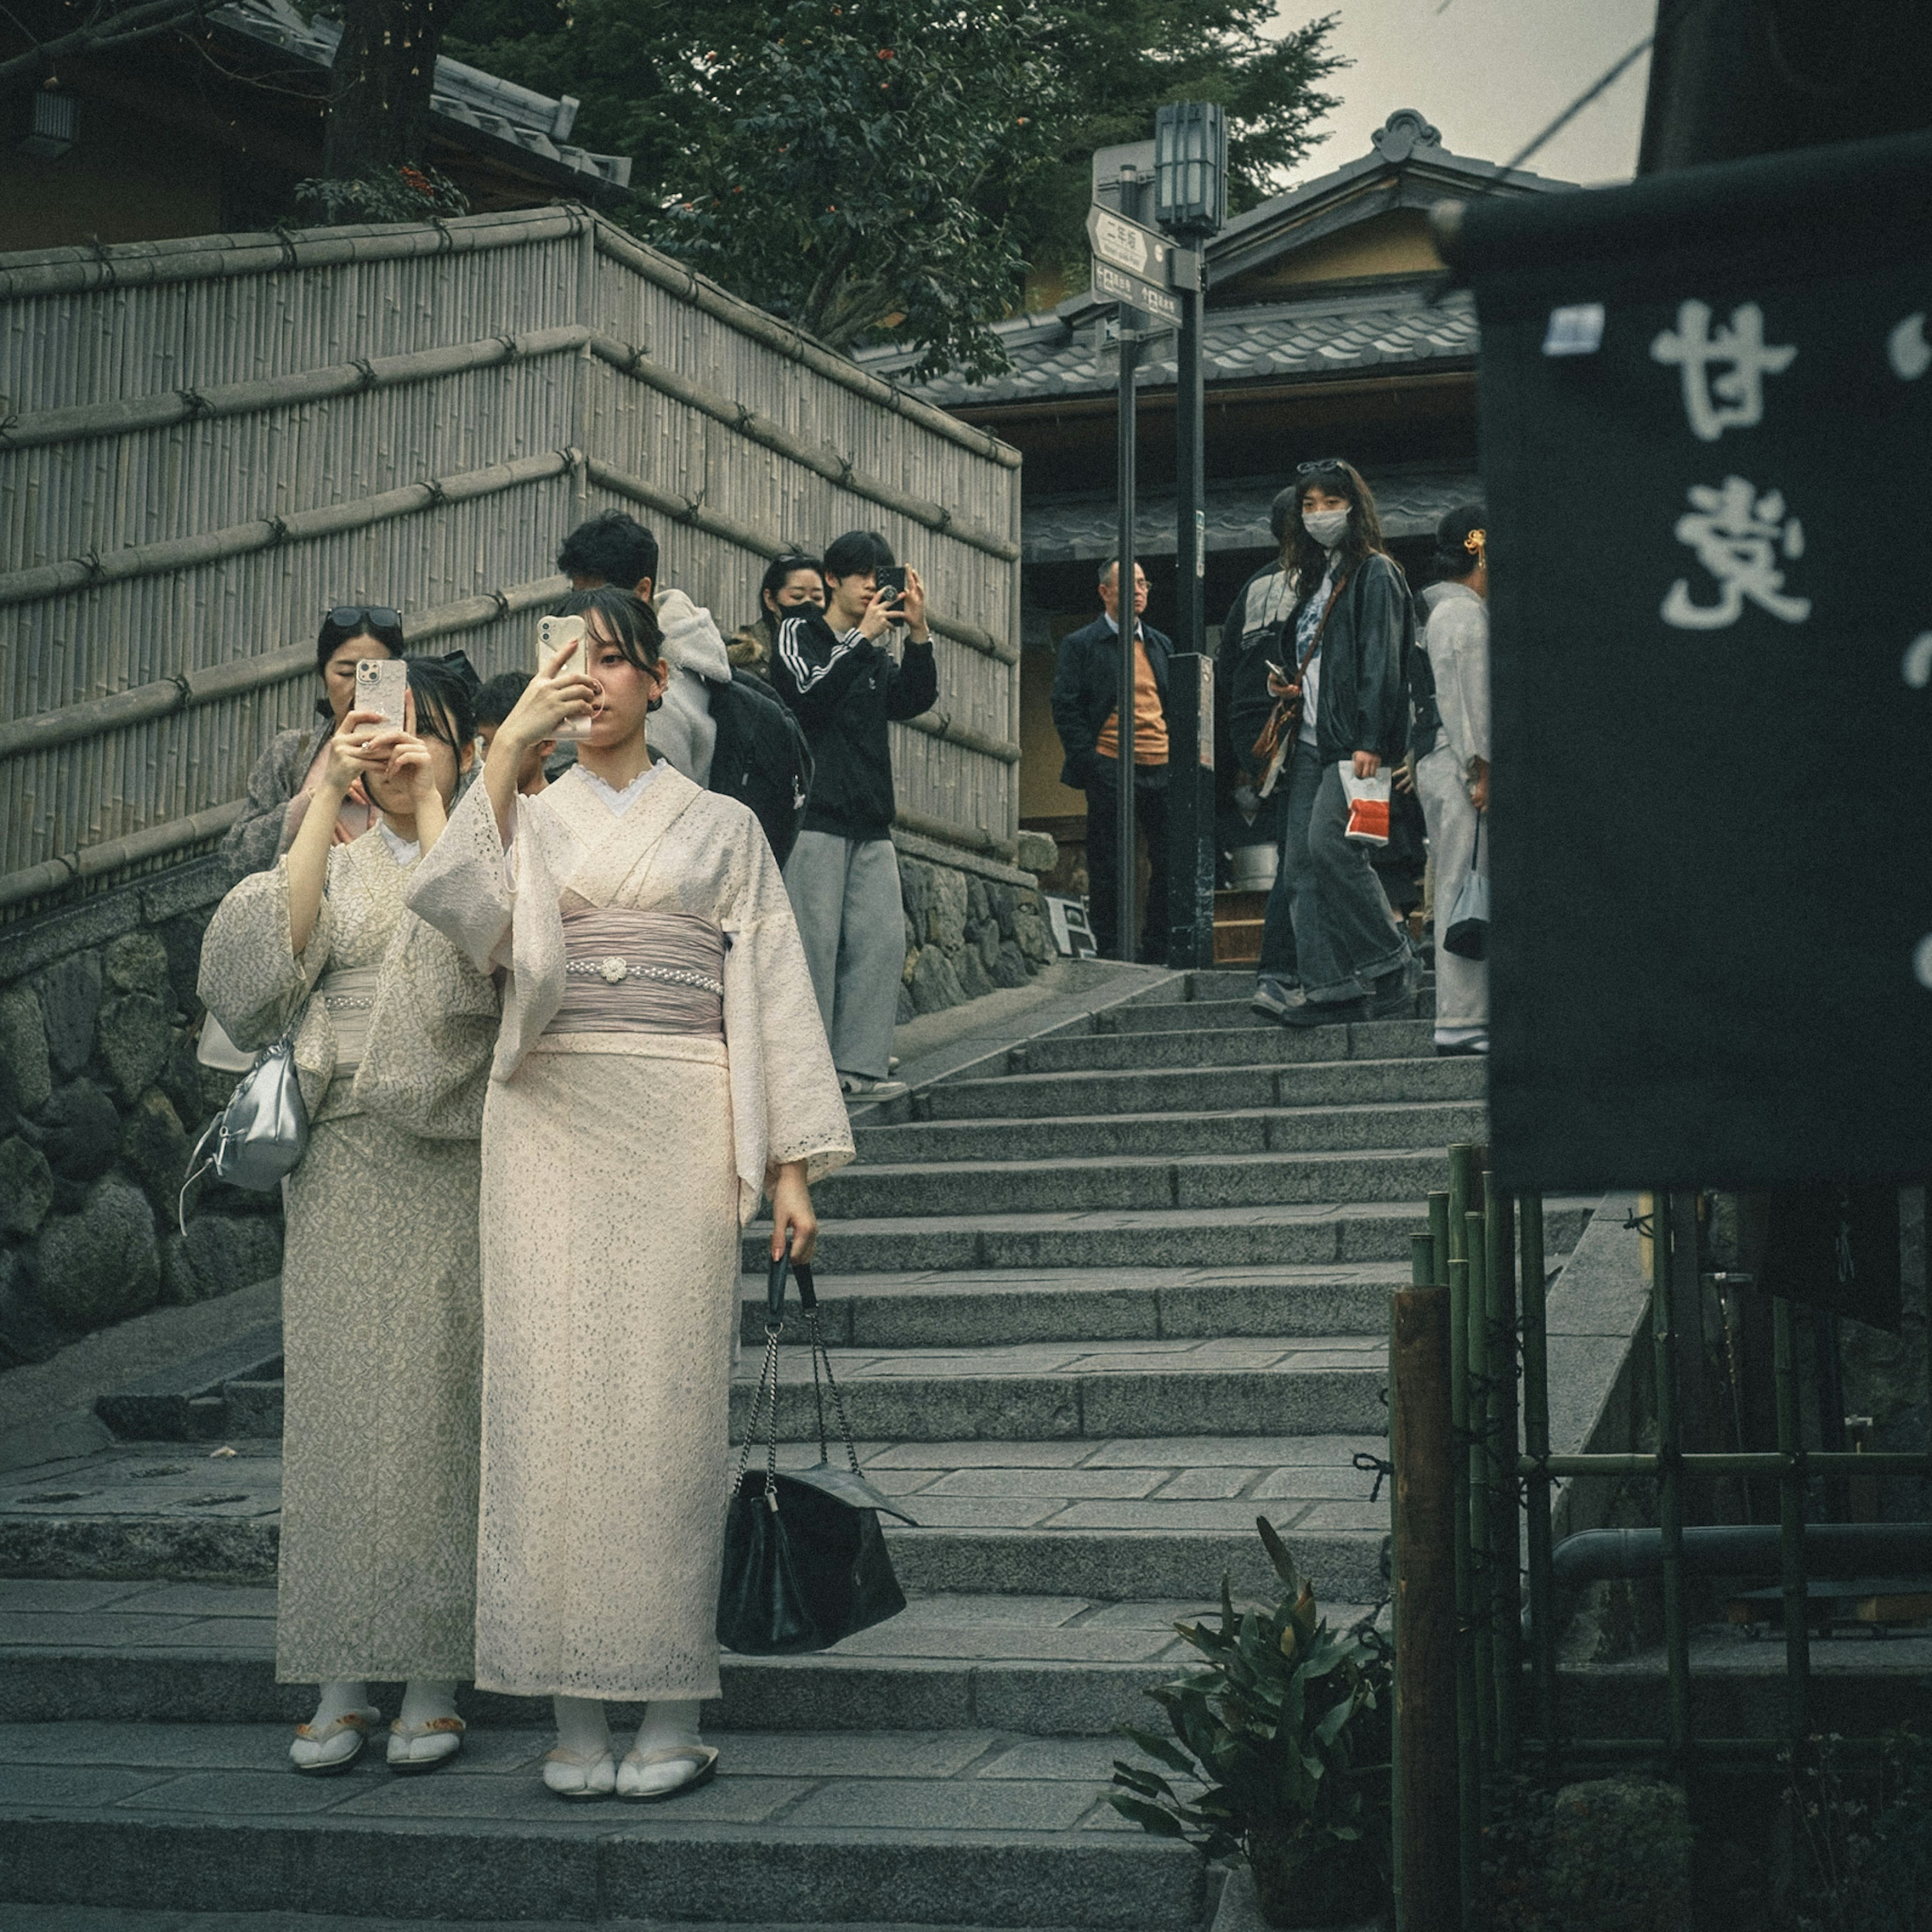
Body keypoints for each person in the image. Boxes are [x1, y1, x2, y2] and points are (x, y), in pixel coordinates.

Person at [406, 586, 852, 1804]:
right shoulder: (526, 816)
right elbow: (457, 914)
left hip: (675, 1117)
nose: (590, 678)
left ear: (661, 681)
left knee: (660, 1410)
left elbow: (766, 986)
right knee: (546, 1402)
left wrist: (789, 1162)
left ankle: (667, 1705)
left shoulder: (721, 828)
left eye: (614, 660)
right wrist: (501, 750)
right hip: (547, 1113)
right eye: (566, 660)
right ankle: (569, 1711)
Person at [198, 657, 498, 1778]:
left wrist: (432, 815)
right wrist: (325, 794)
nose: (395, 743)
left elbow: (496, 966)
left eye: (423, 731)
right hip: (343, 1167)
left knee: (435, 1409)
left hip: (453, 1158)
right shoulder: (339, 853)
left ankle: (428, 1676)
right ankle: (337, 1675)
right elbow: (252, 982)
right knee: (335, 1415)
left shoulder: (484, 861)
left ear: (462, 749)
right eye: (377, 727)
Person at [769, 529, 936, 1101]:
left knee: (882, 941)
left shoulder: (875, 648)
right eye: (864, 575)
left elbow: (913, 700)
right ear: (833, 581)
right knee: (813, 945)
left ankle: (859, 1068)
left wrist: (917, 632)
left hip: (871, 819)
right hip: (813, 814)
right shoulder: (800, 631)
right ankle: (808, 1074)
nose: (874, 584)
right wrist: (861, 641)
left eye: (882, 574)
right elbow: (807, 696)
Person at [1253, 459, 1417, 1027]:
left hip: (1353, 743)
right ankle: (1330, 987)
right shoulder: (1320, 579)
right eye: (1310, 505)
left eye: (1331, 502)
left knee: (1334, 847)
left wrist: (1373, 738)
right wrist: (1289, 681)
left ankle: (1393, 961)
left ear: (1354, 506)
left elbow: (1383, 661)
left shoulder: (1375, 573)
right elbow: (1325, 658)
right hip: (1309, 740)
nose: (1320, 515)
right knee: (1299, 864)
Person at [221, 604, 406, 879]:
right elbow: (235, 859)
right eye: (345, 673)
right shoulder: (291, 752)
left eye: (376, 675)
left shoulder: (421, 755)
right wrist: (316, 799)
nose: (359, 686)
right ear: (322, 676)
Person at [1050, 558, 1172, 962]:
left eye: (1143, 583)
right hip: (1110, 764)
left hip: (1161, 763)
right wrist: (1091, 761)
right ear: (1105, 592)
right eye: (1129, 584)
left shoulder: (1160, 644)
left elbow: (1172, 706)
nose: (1139, 590)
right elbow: (1065, 707)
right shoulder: (1081, 644)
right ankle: (1112, 947)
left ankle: (1159, 945)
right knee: (1108, 862)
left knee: (1170, 858)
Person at [1414, 504, 1491, 1056]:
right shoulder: (1461, 615)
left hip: (1442, 763)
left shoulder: (1442, 611)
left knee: (1462, 886)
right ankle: (1462, 1018)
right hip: (1461, 765)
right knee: (1465, 888)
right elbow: (1469, 703)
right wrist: (1481, 767)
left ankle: (1468, 1015)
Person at [730, 554, 827, 679]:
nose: (808, 604)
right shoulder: (747, 657)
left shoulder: (835, 651)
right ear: (770, 600)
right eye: (798, 596)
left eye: (817, 598)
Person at [476, 671, 557, 796]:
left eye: (509, 743)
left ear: (547, 744)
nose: (489, 757)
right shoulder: (475, 811)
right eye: (485, 744)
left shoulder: (565, 813)